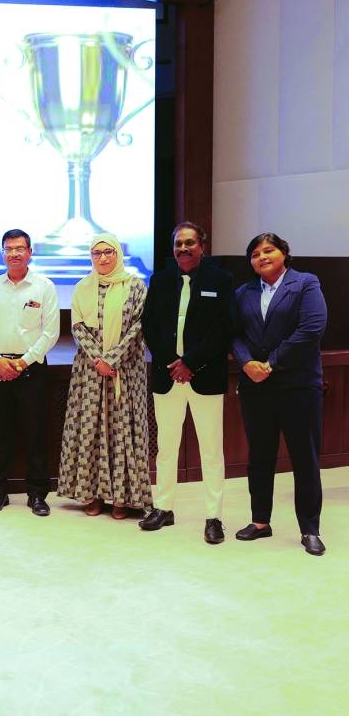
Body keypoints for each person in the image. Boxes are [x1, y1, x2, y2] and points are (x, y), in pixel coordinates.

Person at [232, 233, 327, 556]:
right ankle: (260, 521)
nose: (262, 257)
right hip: (255, 388)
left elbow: (312, 328)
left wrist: (269, 363)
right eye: (255, 253)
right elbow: (234, 334)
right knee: (259, 457)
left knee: (305, 458)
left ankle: (310, 529)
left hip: (298, 386)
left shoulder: (305, 283)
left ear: (284, 253)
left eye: (268, 250)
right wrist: (246, 364)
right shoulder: (243, 292)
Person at [140, 222, 233, 543]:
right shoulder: (160, 280)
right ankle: (163, 508)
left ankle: (214, 516)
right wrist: (172, 363)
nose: (183, 248)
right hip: (168, 378)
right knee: (166, 448)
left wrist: (190, 363)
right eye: (178, 243)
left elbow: (224, 328)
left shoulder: (221, 280)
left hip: (204, 376)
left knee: (211, 450)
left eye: (190, 243)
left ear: (202, 246)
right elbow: (149, 325)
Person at [58, 234, 152, 518]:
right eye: (96, 253)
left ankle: (122, 498)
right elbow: (77, 327)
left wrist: (112, 359)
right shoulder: (83, 287)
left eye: (108, 252)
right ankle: (92, 495)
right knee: (91, 430)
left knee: (122, 430)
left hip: (126, 369)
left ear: (118, 254)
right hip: (90, 370)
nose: (103, 258)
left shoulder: (135, 286)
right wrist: (99, 359)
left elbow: (138, 326)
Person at [0, 228, 59, 516]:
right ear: (3, 253)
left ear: (30, 252)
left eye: (19, 248)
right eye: (8, 249)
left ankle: (37, 495)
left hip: (32, 370)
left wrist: (23, 362)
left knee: (35, 433)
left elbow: (50, 332)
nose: (14, 254)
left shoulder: (44, 286)